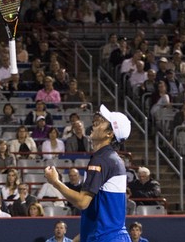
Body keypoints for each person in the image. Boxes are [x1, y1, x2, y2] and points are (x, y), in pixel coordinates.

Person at [44, 104, 132, 242]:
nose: (95, 123)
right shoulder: (110, 158)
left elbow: (82, 202)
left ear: (110, 134)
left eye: (102, 122)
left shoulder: (101, 160)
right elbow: (103, 210)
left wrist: (55, 182)